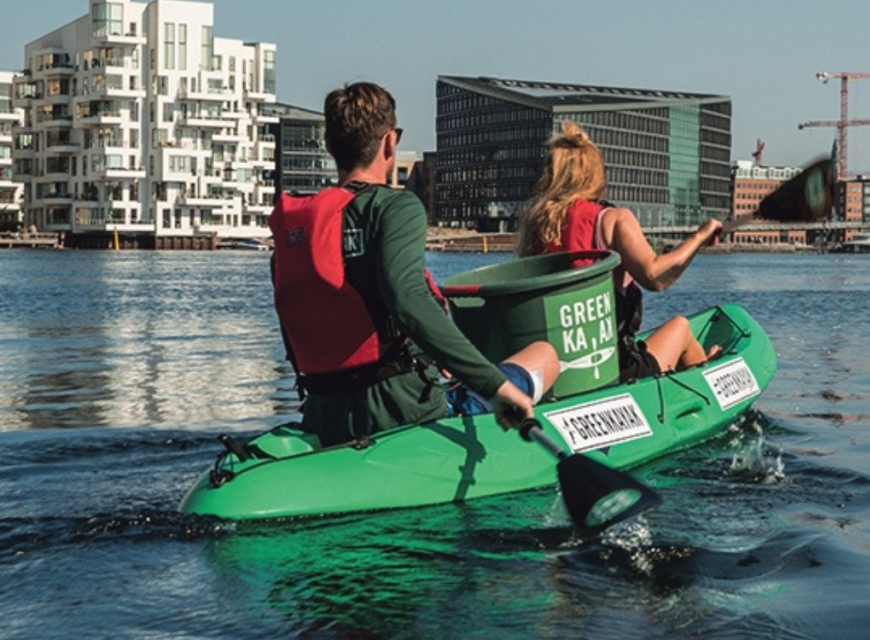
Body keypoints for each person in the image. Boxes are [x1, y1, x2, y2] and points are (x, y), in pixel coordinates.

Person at [270, 82, 558, 447]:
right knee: (544, 355)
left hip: (324, 413)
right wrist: (496, 387)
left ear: (329, 145)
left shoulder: (297, 227)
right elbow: (406, 299)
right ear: (390, 143)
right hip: (401, 411)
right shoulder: (395, 207)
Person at [516, 121, 722, 380]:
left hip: (556, 369)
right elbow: (656, 277)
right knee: (680, 328)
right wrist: (700, 237)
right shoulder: (613, 220)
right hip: (610, 366)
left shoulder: (536, 226)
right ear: (596, 174)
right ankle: (705, 379)